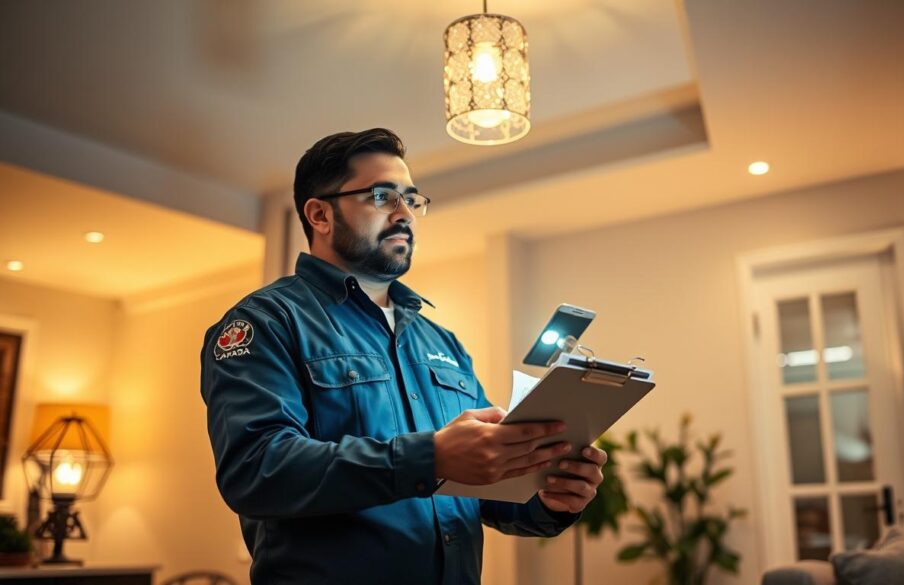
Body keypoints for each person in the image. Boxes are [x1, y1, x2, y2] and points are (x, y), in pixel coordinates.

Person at [200, 128, 608, 585]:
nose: (404, 215)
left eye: (411, 200)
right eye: (382, 197)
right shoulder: (266, 323)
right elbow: (257, 470)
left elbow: (482, 491)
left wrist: (549, 498)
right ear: (319, 214)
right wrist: (429, 457)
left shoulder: (443, 341)